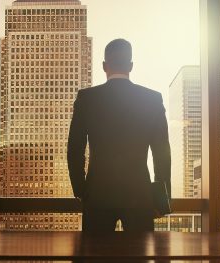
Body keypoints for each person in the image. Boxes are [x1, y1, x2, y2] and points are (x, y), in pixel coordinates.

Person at [67, 38, 171, 232]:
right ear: (131, 66)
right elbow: (162, 153)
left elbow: (75, 149)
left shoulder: (87, 99)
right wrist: (161, 198)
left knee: (95, 259)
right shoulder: (152, 99)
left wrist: (81, 189)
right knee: (140, 260)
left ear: (104, 66)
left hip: (97, 194)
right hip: (139, 194)